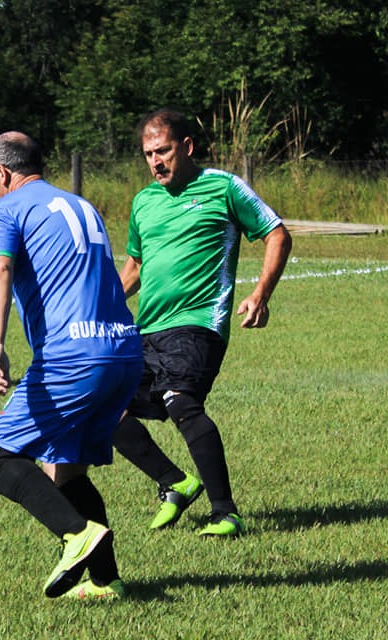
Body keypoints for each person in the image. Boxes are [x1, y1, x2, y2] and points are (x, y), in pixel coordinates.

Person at [0, 132, 143, 600]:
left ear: (4, 173)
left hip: (74, 358)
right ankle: (105, 581)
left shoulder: (7, 209)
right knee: (66, 470)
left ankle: (77, 535)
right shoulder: (79, 204)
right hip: (123, 351)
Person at [112, 108, 292, 536]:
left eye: (164, 151)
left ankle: (225, 511)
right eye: (148, 154)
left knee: (180, 401)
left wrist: (260, 294)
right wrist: (101, 306)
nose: (156, 161)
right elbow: (135, 265)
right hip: (146, 330)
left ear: (187, 147)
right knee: (102, 405)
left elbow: (277, 233)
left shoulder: (223, 187)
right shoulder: (144, 202)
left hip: (198, 324)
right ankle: (174, 483)